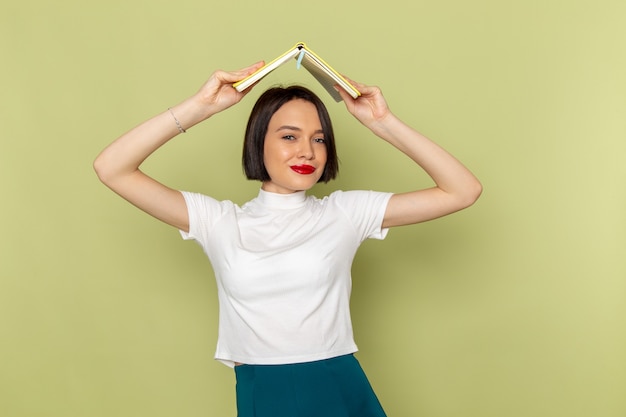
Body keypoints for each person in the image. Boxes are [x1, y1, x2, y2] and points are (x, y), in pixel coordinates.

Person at [94, 60, 482, 417]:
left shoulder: (344, 213)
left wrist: (383, 122)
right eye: (289, 136)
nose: (306, 151)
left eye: (318, 139)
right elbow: (112, 168)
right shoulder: (218, 221)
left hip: (336, 383)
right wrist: (201, 107)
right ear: (258, 141)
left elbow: (462, 191)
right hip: (263, 391)